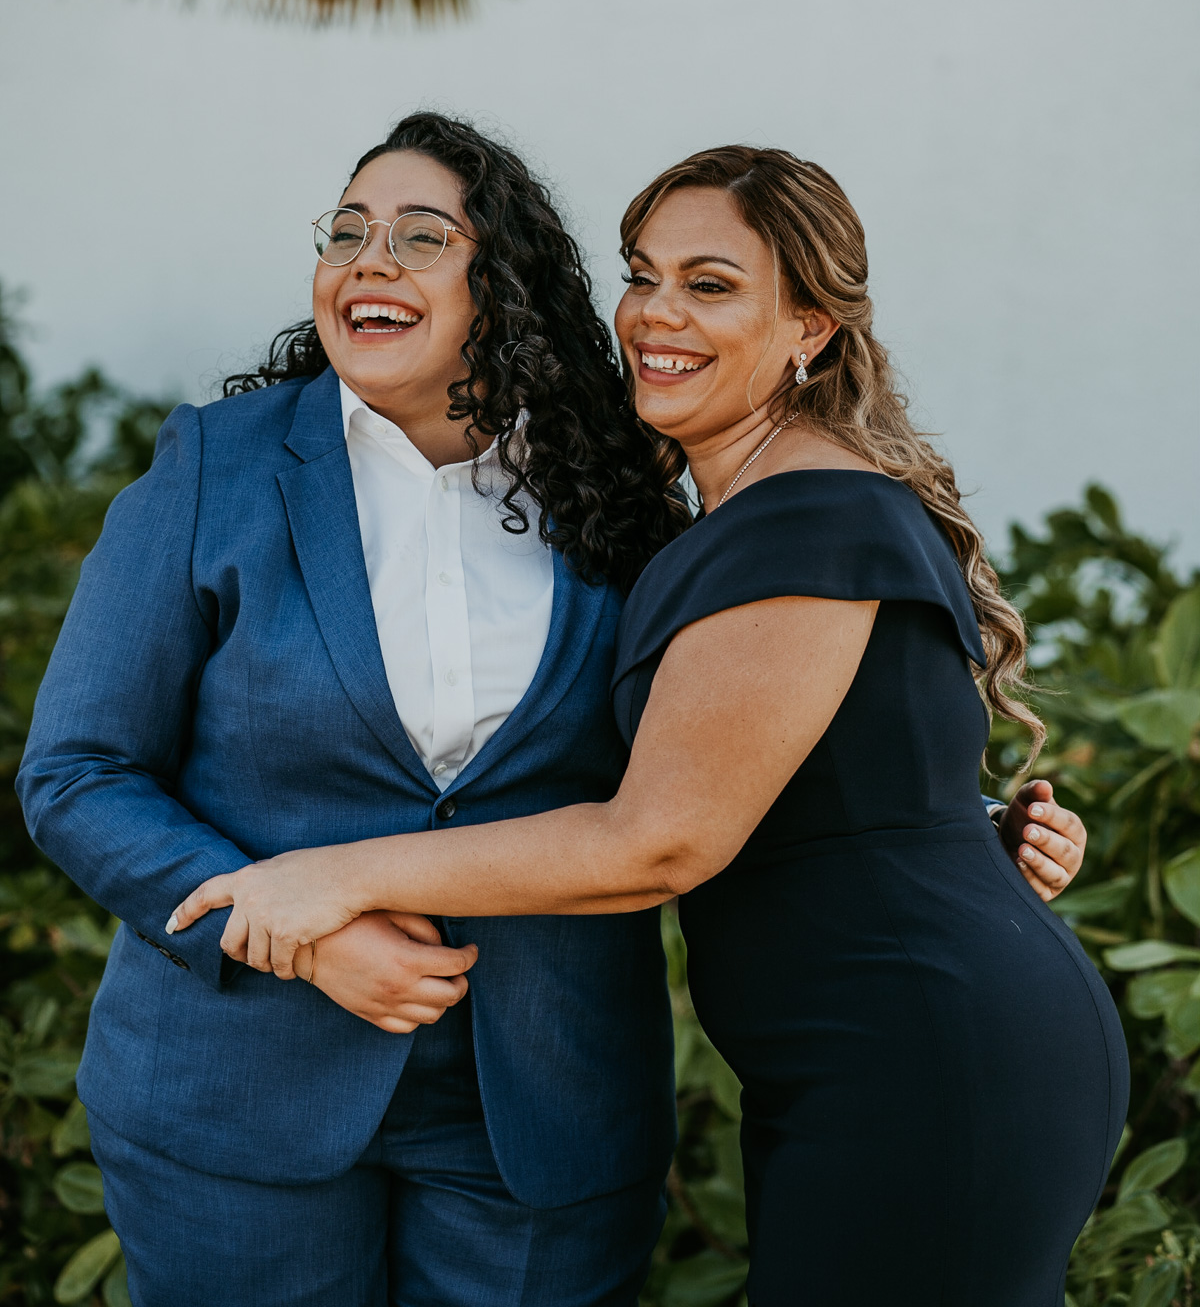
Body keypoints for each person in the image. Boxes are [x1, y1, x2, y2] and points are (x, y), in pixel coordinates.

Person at [20, 119, 1086, 1307]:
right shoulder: (215, 469)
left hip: (540, 1113)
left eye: (422, 236)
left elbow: (716, 742)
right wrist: (303, 932)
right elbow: (77, 772)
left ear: (501, 280)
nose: (371, 260)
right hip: (237, 1098)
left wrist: (954, 817)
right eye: (346, 233)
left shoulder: (620, 487)